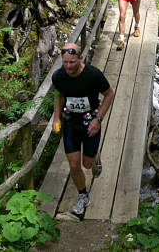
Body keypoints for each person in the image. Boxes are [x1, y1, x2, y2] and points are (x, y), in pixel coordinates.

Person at [52, 43, 114, 215]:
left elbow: (109, 94)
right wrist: (56, 117)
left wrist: (98, 119)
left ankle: (94, 157)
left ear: (80, 58)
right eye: (65, 62)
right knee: (73, 164)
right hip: (71, 123)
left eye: (72, 62)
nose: (68, 66)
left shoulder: (93, 75)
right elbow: (59, 95)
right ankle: (83, 196)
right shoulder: (58, 76)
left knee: (87, 164)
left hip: (91, 123)